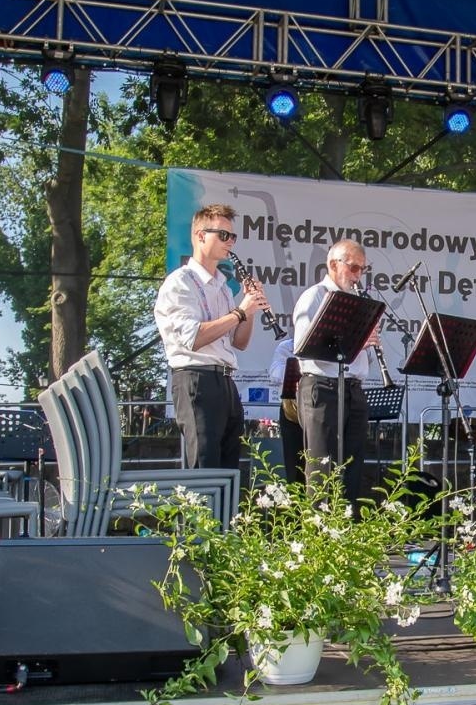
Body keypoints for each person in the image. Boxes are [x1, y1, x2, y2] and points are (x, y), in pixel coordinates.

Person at [154, 203, 267, 469]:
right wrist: (240, 312)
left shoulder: (223, 288)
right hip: (196, 378)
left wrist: (250, 309)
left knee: (229, 469)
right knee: (203, 464)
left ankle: (225, 513)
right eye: (223, 235)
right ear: (200, 235)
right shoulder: (180, 282)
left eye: (233, 237)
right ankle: (200, 513)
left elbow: (238, 341)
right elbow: (193, 337)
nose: (230, 243)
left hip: (225, 380)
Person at [293, 239, 381, 503]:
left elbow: (360, 359)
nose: (358, 276)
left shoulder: (356, 301)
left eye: (363, 270)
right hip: (323, 388)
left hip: (352, 389)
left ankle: (348, 531)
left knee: (352, 468)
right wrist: (356, 342)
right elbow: (304, 347)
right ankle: (319, 537)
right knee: (322, 467)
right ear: (333, 264)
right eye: (354, 268)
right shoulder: (314, 296)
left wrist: (367, 345)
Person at [266, 336, 305, 484]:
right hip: (293, 411)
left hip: (321, 407)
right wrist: (303, 368)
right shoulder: (286, 347)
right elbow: (274, 372)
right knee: (294, 465)